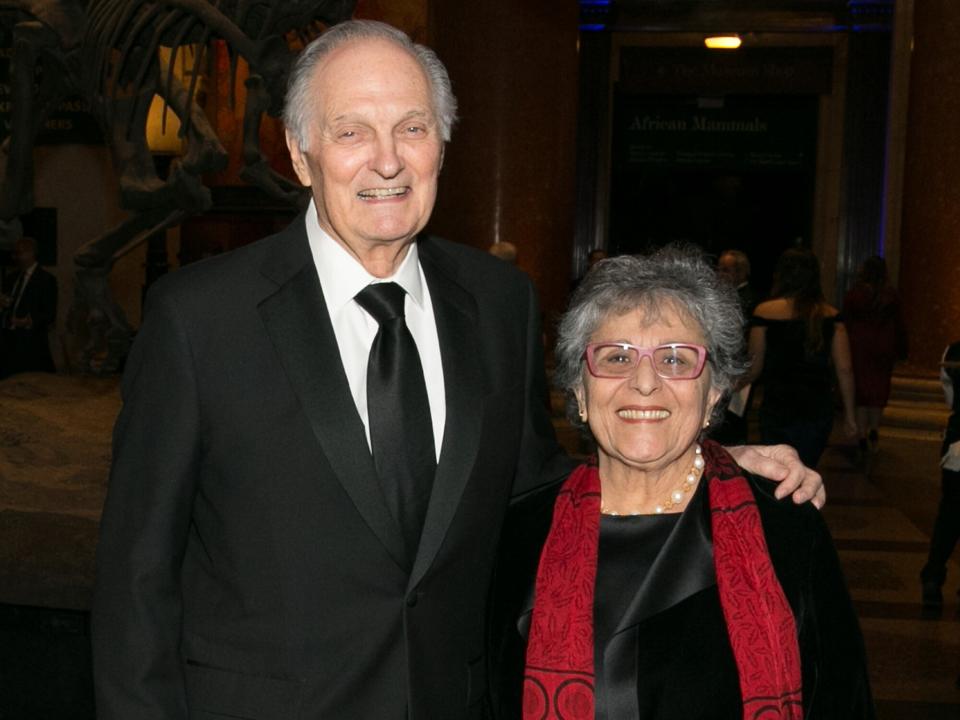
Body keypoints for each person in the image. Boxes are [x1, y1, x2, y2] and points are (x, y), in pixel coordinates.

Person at [92, 21, 824, 720]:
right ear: (299, 150)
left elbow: (535, 488)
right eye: (352, 132)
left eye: (412, 128)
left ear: (441, 144)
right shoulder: (200, 319)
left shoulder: (498, 302)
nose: (387, 159)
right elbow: (135, 581)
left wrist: (702, 464)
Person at [490, 247, 873, 720]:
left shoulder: (786, 529)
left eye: (675, 359)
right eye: (615, 357)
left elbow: (843, 703)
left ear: (714, 391)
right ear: (578, 390)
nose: (645, 382)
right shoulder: (518, 534)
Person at [743, 248, 857, 467]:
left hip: (777, 407)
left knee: (777, 473)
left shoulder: (764, 312)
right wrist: (850, 417)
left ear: (781, 275)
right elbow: (845, 369)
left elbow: (754, 367)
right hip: (816, 409)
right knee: (806, 471)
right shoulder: (831, 316)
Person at [842, 256, 907, 455]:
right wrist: (901, 350)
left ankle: (861, 433)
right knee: (878, 391)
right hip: (883, 345)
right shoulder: (891, 295)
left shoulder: (856, 294)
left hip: (860, 345)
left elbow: (846, 320)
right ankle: (874, 429)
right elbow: (899, 324)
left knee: (862, 392)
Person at [920, 340, 960, 609]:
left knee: (950, 513)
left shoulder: (953, 352)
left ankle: (933, 575)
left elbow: (948, 394)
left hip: (959, 443)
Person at [712, 249, 757, 444]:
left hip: (737, 373)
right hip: (725, 369)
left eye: (725, 270)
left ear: (740, 273)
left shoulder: (748, 299)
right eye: (719, 269)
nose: (719, 274)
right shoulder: (724, 296)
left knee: (731, 427)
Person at [0, 236, 58, 377]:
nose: (16, 258)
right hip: (8, 342)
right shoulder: (11, 278)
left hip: (31, 345)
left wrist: (28, 321)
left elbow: (49, 314)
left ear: (31, 253)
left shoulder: (46, 280)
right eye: (15, 253)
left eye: (19, 253)